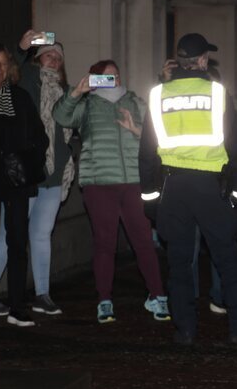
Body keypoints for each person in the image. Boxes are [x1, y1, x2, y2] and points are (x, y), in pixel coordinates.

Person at [138, 33, 237, 346]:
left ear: (179, 60)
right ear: (204, 60)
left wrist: (151, 198)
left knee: (179, 263)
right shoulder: (217, 93)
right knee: (228, 260)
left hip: (173, 187)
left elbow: (147, 152)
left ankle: (185, 330)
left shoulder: (159, 95)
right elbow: (235, 147)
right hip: (210, 187)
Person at [52, 59, 168, 323]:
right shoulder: (86, 105)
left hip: (133, 181)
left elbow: (157, 139)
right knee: (105, 244)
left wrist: (134, 129)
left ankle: (158, 296)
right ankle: (104, 300)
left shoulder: (135, 101)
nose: (113, 79)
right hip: (99, 183)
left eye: (115, 75)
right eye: (105, 76)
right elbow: (60, 117)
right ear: (94, 79)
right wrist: (76, 92)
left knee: (143, 242)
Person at [0, 31, 76, 317]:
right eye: (49, 54)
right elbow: (13, 70)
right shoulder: (27, 80)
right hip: (25, 175)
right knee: (7, 234)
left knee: (41, 235)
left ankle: (42, 294)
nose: (53, 59)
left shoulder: (66, 92)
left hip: (52, 177)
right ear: (39, 59)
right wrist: (24, 47)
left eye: (58, 57)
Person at [0, 44, 48, 328]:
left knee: (17, 243)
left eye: (3, 64)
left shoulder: (21, 97)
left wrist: (28, 162)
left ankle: (18, 307)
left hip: (16, 180)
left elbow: (40, 136)